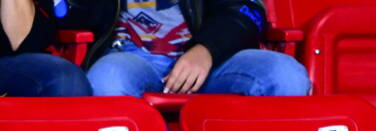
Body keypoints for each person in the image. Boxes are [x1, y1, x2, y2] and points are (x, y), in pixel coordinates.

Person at [71, 0, 310, 97]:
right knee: (107, 77)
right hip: (130, 56)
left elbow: (247, 11)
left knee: (285, 74)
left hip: (210, 57)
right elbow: (73, 13)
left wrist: (206, 50)